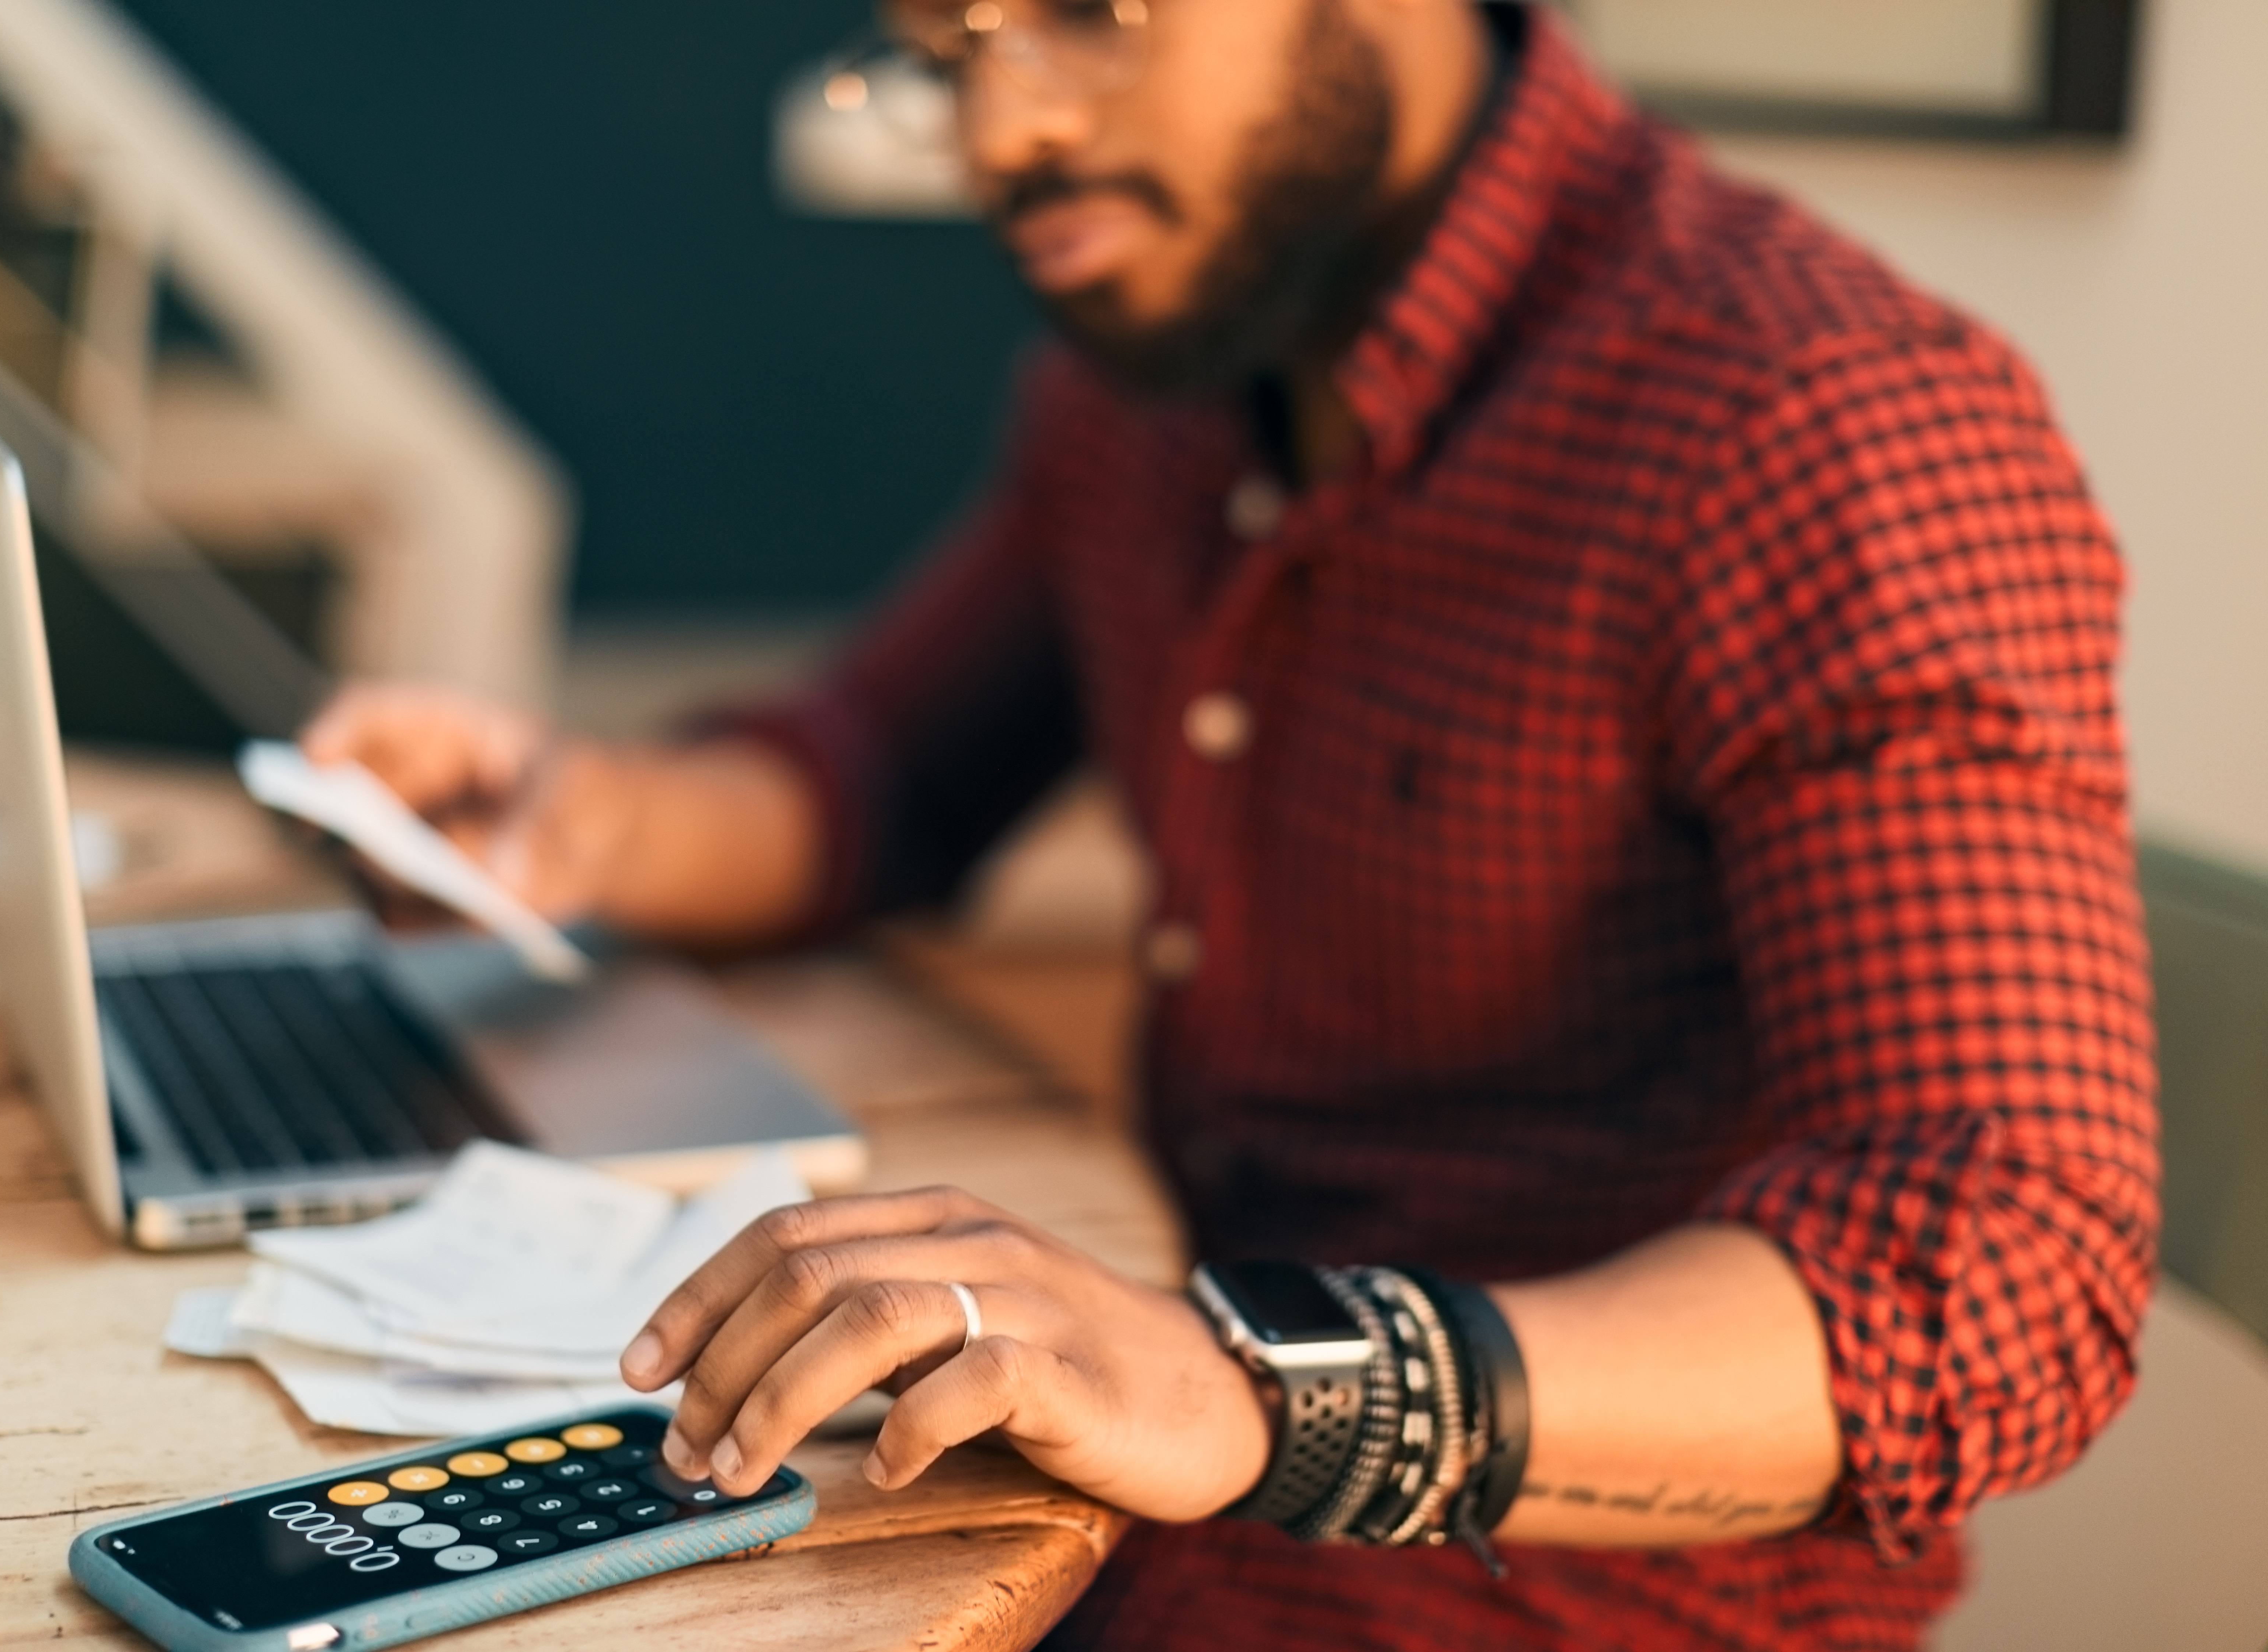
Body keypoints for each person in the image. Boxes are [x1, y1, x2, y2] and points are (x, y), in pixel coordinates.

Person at [304, 1, 2159, 1646]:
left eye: (1088, 16)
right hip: (1145, 1488)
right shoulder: (1165, 375)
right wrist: (579, 818)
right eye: (945, 52)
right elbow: (880, 772)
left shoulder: (1818, 417)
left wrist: (1262, 1386)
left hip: (1584, 1594)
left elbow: (2004, 1265)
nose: (1004, 130)